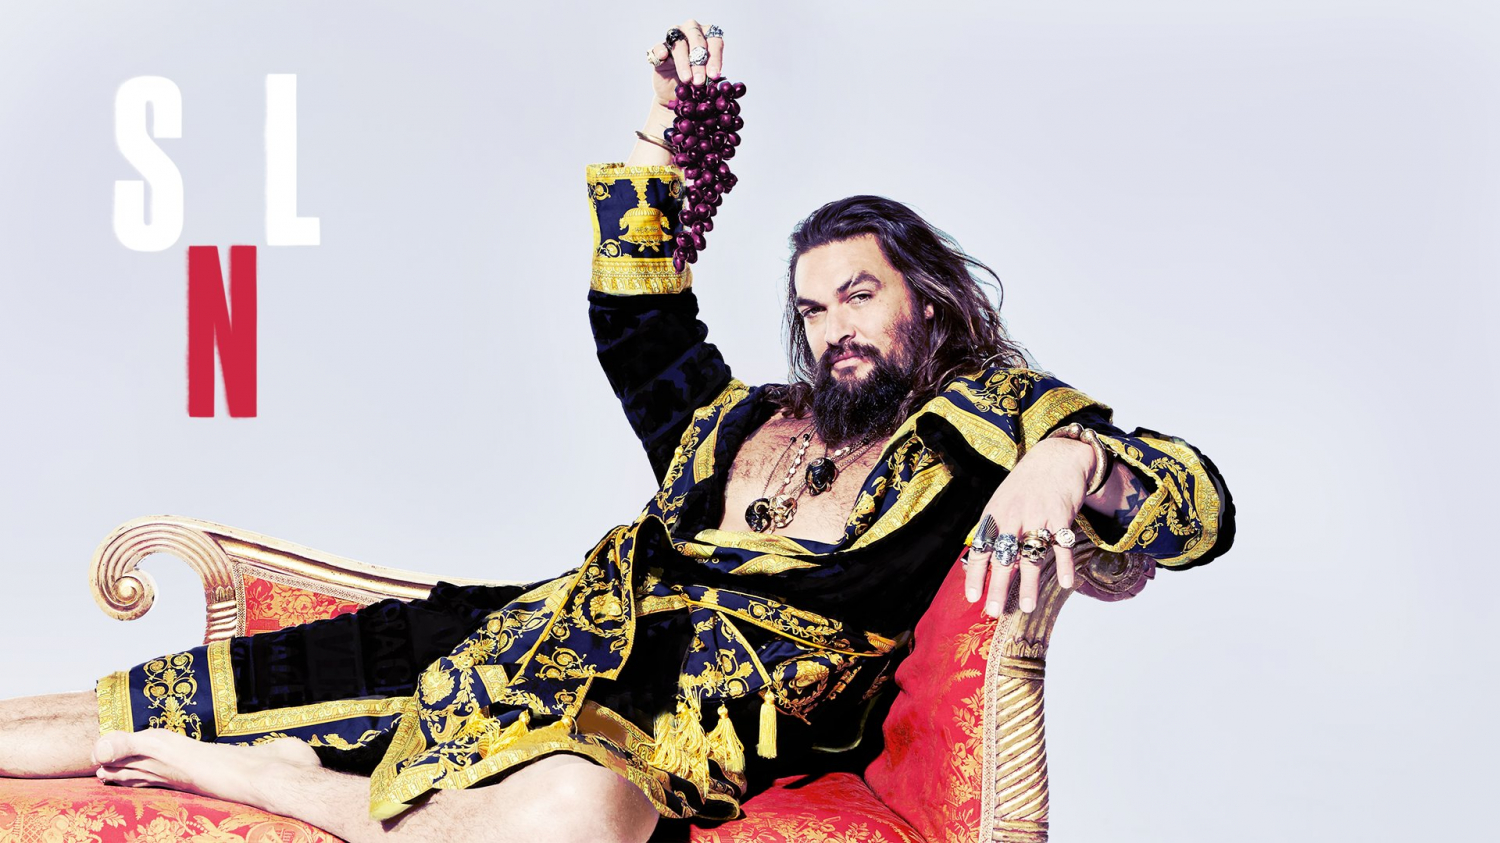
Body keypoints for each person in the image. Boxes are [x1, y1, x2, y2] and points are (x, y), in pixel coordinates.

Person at [0, 19, 1234, 843]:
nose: (834, 329)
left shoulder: (985, 431)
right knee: (122, 707)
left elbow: (1194, 509)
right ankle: (256, 756)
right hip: (517, 635)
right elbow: (636, 319)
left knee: (573, 821)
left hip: (670, 717)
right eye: (813, 309)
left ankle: (272, 782)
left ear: (928, 297)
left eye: (859, 295)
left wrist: (1069, 458)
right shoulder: (737, 423)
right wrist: (661, 130)